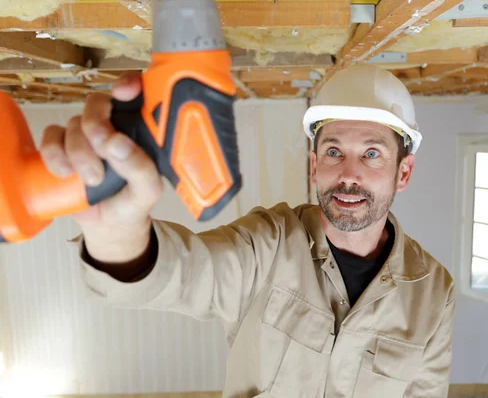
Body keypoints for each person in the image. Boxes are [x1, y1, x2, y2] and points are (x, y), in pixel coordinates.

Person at [41, 64, 455, 397]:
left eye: (371, 153)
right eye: (333, 151)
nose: (349, 174)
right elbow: (185, 274)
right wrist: (119, 231)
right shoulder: (268, 243)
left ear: (403, 172)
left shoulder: (434, 292)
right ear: (314, 166)